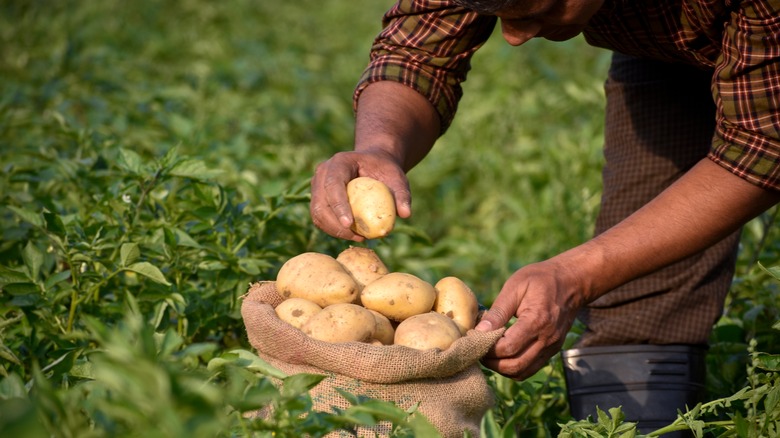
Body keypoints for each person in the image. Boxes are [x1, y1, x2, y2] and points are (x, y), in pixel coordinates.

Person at [309, 0, 780, 433]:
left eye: (541, 7)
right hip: (664, 43)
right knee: (637, 299)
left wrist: (575, 275)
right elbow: (417, 51)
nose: (513, 37)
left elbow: (763, 150)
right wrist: (379, 148)